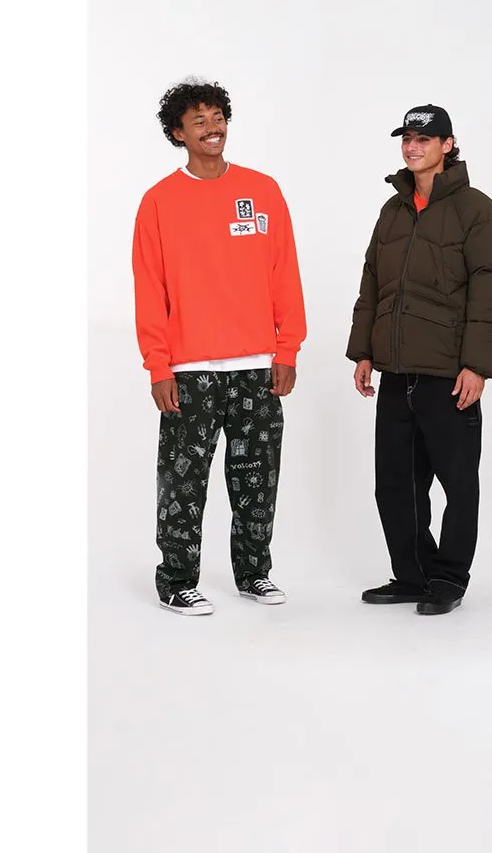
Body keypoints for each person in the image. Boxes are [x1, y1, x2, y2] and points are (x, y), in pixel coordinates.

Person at [132, 79, 307, 615]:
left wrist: (287, 349)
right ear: (177, 133)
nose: (212, 128)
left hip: (258, 365)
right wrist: (158, 366)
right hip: (190, 369)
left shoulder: (263, 190)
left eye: (217, 117)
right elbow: (150, 289)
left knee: (257, 478)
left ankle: (254, 573)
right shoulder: (159, 201)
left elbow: (284, 274)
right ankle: (176, 580)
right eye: (199, 121)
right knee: (182, 483)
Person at [347, 104, 492, 615]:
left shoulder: (475, 210)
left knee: (458, 483)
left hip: (449, 373)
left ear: (448, 145)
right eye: (407, 138)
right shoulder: (393, 210)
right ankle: (413, 574)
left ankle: (448, 578)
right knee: (395, 483)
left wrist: (478, 366)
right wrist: (364, 351)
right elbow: (372, 282)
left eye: (423, 138)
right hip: (396, 371)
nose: (412, 146)